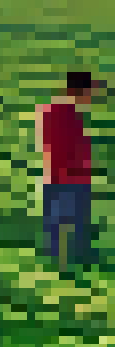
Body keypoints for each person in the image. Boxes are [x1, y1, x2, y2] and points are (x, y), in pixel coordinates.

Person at [39, 67, 101, 269]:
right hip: (71, 179)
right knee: (73, 227)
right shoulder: (68, 114)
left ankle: (61, 266)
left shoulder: (52, 110)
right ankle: (71, 266)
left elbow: (48, 144)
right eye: (89, 91)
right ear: (79, 91)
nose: (91, 96)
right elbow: (66, 147)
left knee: (58, 228)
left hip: (57, 176)